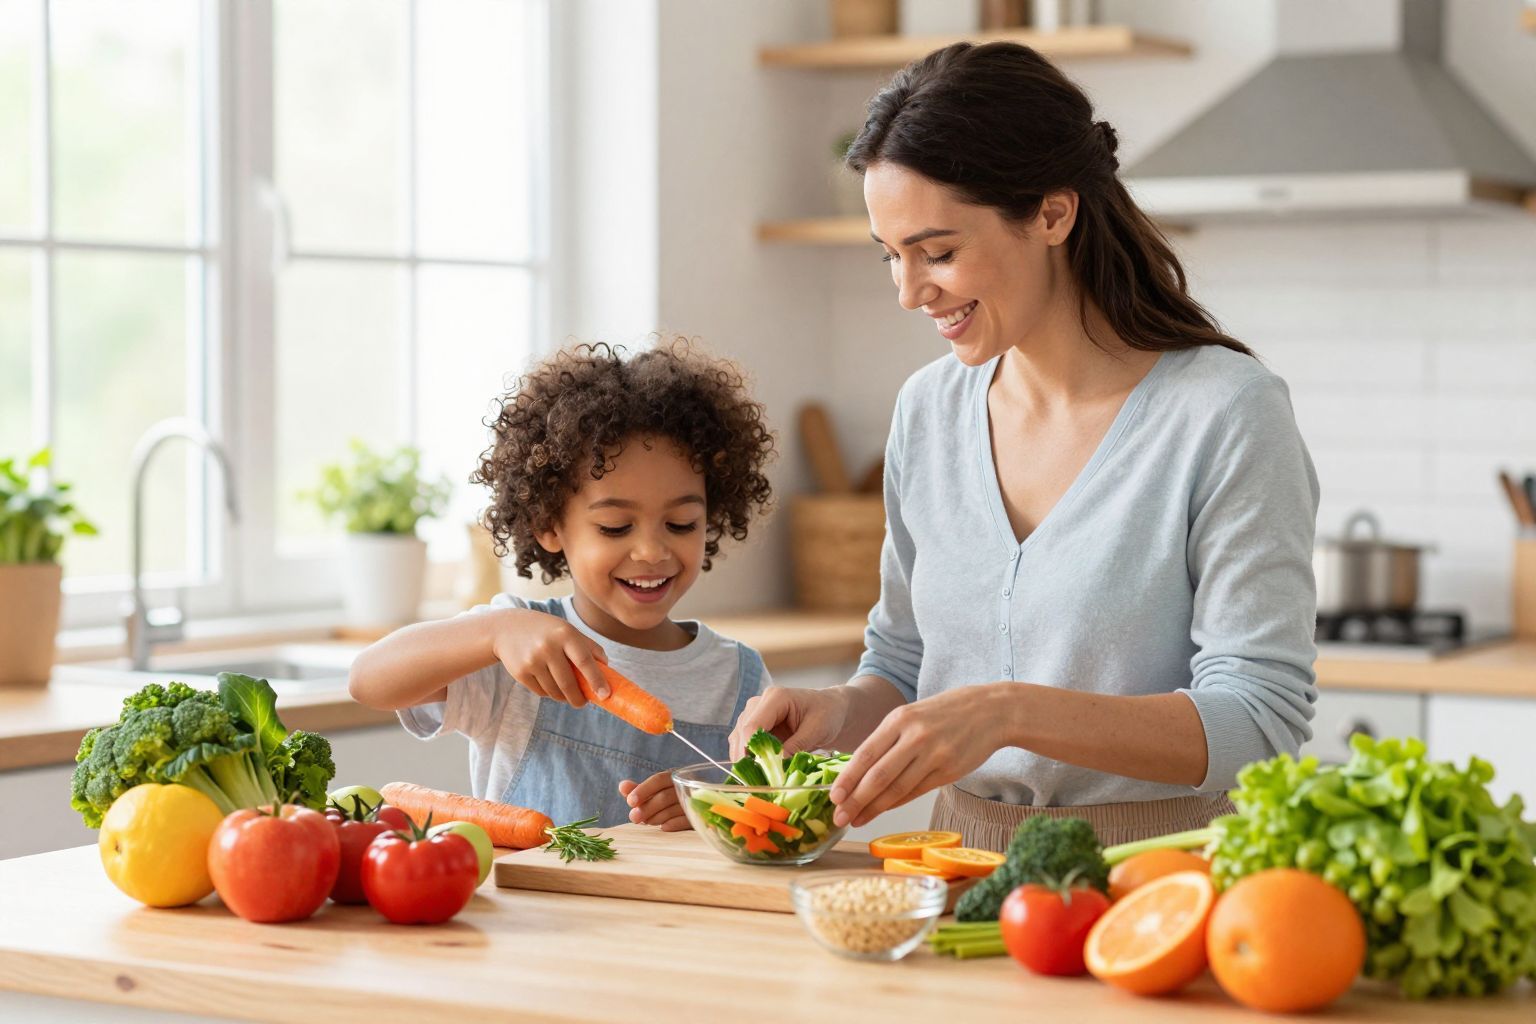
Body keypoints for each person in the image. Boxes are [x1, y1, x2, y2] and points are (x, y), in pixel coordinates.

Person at [729, 42, 1320, 850]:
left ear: (1052, 213)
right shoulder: (929, 411)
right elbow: (904, 663)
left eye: (937, 253)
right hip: (956, 870)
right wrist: (837, 710)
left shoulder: (1224, 413)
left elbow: (1259, 719)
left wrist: (1010, 710)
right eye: (891, 258)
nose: (910, 293)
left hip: (1157, 879)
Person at [350, 339, 775, 830]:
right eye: (616, 527)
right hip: (529, 908)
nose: (652, 552)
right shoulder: (514, 648)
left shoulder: (738, 676)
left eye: (681, 524)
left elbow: (768, 817)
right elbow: (368, 680)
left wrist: (716, 811)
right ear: (547, 524)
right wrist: (494, 633)